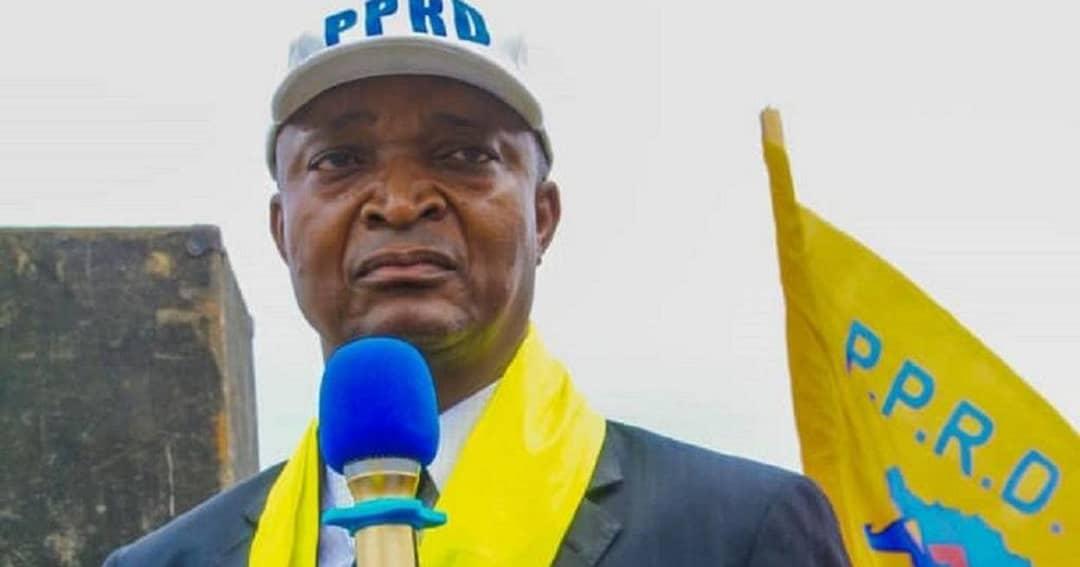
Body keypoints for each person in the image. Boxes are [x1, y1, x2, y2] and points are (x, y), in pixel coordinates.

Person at [106, 1, 850, 565]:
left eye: (463, 154)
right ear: (281, 227)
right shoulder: (168, 561)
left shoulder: (738, 532)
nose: (400, 202)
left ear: (542, 216)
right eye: (340, 160)